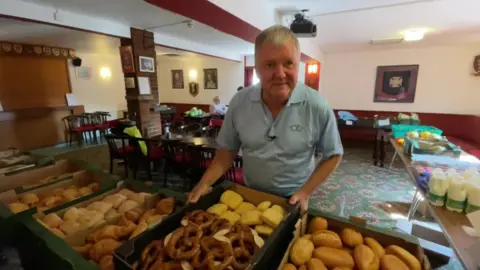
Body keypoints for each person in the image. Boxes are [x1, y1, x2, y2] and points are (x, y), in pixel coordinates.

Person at [189, 25, 343, 211]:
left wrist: (305, 192)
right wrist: (204, 183)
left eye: (288, 63)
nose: (280, 74)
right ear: (257, 70)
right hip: (249, 196)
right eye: (270, 65)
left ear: (297, 65)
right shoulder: (239, 102)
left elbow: (333, 155)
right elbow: (227, 152)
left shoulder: (317, 106)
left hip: (294, 199)